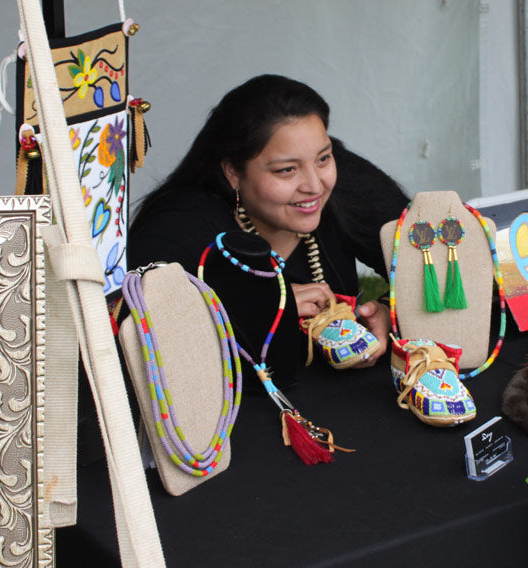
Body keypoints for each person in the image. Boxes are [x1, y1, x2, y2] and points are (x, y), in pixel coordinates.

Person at [128, 74, 409, 365]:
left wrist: (390, 314)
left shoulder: (345, 185)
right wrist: (258, 311)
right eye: (286, 170)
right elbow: (142, 338)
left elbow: (437, 266)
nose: (314, 185)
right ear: (233, 173)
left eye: (323, 158)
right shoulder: (179, 227)